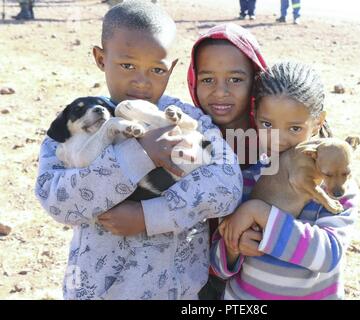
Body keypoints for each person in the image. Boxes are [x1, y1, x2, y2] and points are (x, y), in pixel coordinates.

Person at [35, 0, 242, 300]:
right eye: (128, 65)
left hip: (180, 292)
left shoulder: (187, 120)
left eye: (157, 70)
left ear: (171, 69)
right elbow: (55, 199)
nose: (142, 81)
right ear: (100, 58)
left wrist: (150, 215)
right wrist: (137, 156)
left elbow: (228, 185)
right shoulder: (80, 119)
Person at [211, 61, 359, 300]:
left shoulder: (333, 187)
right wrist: (232, 248)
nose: (278, 139)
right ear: (254, 117)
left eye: (294, 128)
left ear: (318, 122)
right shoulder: (245, 178)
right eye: (267, 124)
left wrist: (259, 212)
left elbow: (329, 255)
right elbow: (218, 265)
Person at [186, 23, 267, 299]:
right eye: (208, 79)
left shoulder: (275, 145)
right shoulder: (186, 140)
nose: (220, 92)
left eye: (235, 79)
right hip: (195, 281)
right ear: (194, 80)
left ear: (256, 80)